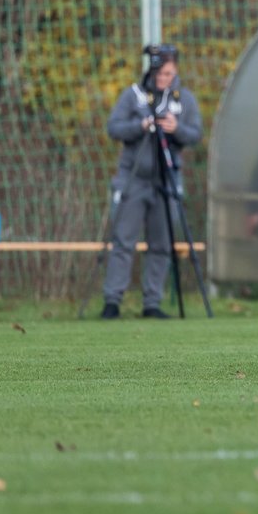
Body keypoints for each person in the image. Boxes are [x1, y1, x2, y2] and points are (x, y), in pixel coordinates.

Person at [101, 44, 203, 320]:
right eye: (159, 71)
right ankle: (112, 301)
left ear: (175, 71)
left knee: (161, 244)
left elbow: (195, 134)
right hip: (133, 179)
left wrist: (176, 128)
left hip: (167, 180)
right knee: (123, 241)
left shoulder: (184, 99)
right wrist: (141, 126)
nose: (163, 77)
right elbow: (114, 127)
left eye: (169, 72)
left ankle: (152, 303)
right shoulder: (133, 96)